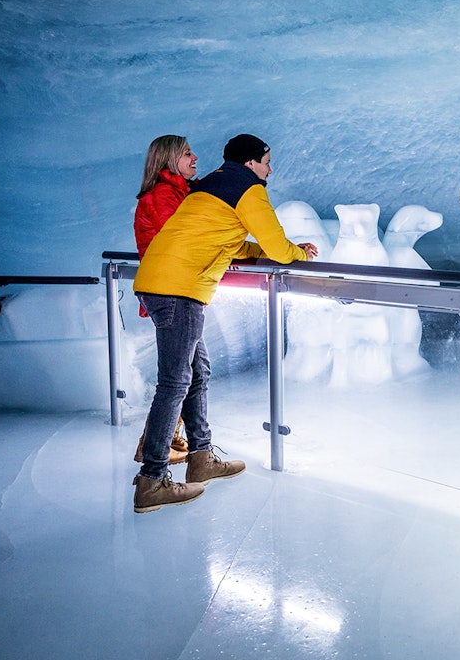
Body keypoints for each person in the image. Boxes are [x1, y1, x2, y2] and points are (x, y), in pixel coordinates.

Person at [131, 133, 319, 513]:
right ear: (250, 163)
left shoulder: (209, 187)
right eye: (266, 161)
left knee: (197, 372)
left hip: (163, 283)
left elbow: (229, 242)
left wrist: (262, 249)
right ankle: (151, 481)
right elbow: (280, 249)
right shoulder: (248, 189)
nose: (270, 169)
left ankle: (201, 459)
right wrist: (297, 251)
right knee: (175, 382)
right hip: (179, 290)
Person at [132, 134, 198, 466]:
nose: (195, 157)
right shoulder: (163, 196)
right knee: (178, 377)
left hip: (177, 290)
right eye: (187, 153)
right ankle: (154, 456)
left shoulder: (177, 193)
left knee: (189, 372)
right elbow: (182, 241)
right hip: (172, 293)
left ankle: (165, 441)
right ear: (169, 159)